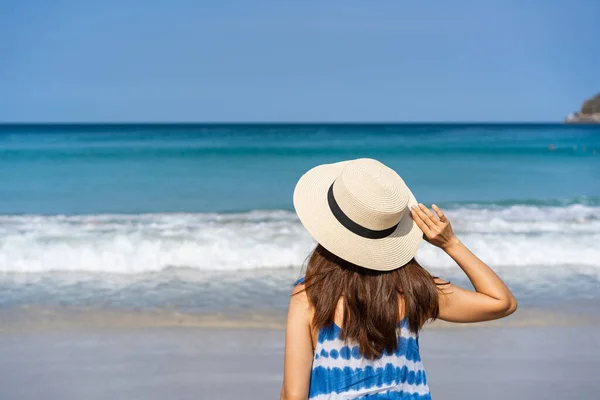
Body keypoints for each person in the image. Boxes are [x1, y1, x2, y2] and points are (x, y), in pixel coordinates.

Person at [281, 158, 517, 400]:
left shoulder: (310, 295)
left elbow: (293, 395)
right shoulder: (415, 289)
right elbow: (502, 302)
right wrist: (450, 244)